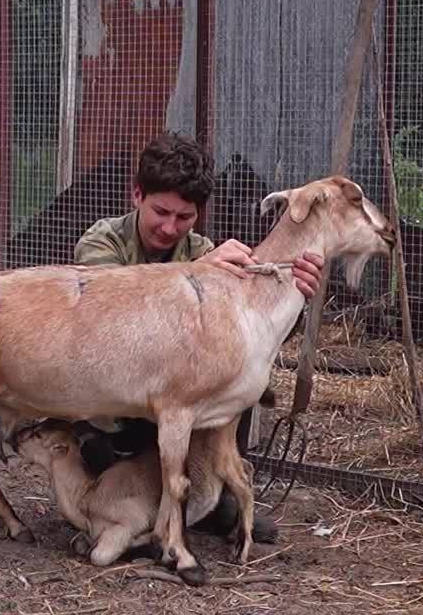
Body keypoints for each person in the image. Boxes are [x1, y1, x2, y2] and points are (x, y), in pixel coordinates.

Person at [72, 133, 325, 543]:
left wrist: (292, 295)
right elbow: (112, 314)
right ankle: (132, 475)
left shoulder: (202, 249)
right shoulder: (102, 243)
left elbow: (249, 334)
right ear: (137, 194)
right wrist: (196, 272)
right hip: (118, 404)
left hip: (174, 404)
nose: (170, 227)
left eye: (184, 217)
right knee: (110, 478)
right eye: (161, 211)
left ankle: (215, 492)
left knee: (241, 376)